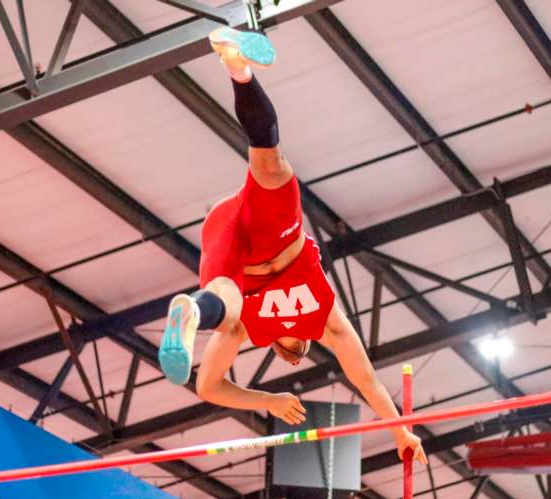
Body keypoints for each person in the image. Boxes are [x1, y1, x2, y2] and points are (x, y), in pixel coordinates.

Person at [158, 26, 426, 464]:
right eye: (300, 352)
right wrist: (401, 432)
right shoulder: (324, 321)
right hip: (268, 236)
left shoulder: (257, 330)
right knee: (271, 162)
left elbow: (209, 387)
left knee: (228, 299)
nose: (296, 355)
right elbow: (367, 381)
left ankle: (191, 312)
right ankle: (236, 67)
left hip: (235, 243)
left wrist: (268, 401)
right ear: (304, 341)